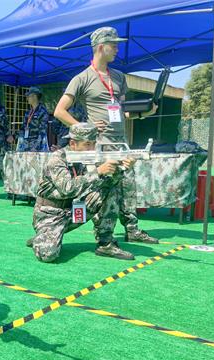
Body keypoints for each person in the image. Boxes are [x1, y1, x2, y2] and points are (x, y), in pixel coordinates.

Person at [54, 27, 159, 244]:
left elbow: (123, 111)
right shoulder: (82, 78)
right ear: (101, 47)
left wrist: (144, 113)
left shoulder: (119, 77)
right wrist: (86, 128)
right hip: (101, 145)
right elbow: (59, 111)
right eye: (114, 45)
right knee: (105, 191)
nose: (118, 49)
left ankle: (132, 230)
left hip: (121, 144)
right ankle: (104, 237)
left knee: (128, 188)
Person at [27, 122, 135, 263]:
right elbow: (67, 188)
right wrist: (98, 171)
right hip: (50, 214)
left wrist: (121, 169)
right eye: (87, 144)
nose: (92, 149)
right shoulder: (57, 159)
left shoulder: (89, 158)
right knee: (47, 255)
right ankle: (42, 237)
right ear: (73, 143)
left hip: (73, 210)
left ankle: (105, 243)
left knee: (109, 189)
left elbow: (107, 183)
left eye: (94, 144)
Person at [18, 87, 49, 152]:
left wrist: (36, 146)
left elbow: (42, 131)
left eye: (28, 96)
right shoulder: (28, 112)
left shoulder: (42, 111)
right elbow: (23, 127)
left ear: (34, 96)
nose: (27, 98)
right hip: (26, 143)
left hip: (37, 145)